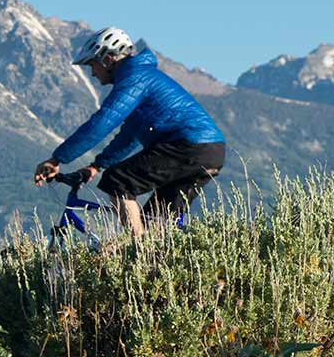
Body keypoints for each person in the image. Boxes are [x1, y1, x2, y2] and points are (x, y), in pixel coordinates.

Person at [33, 27, 227, 237]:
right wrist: (96, 166)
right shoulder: (140, 77)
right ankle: (150, 259)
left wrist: (56, 159)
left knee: (118, 181)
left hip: (189, 145)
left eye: (93, 65)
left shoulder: (135, 78)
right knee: (156, 228)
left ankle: (136, 250)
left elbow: (101, 123)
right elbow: (129, 136)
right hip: (208, 151)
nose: (92, 72)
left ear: (108, 59)